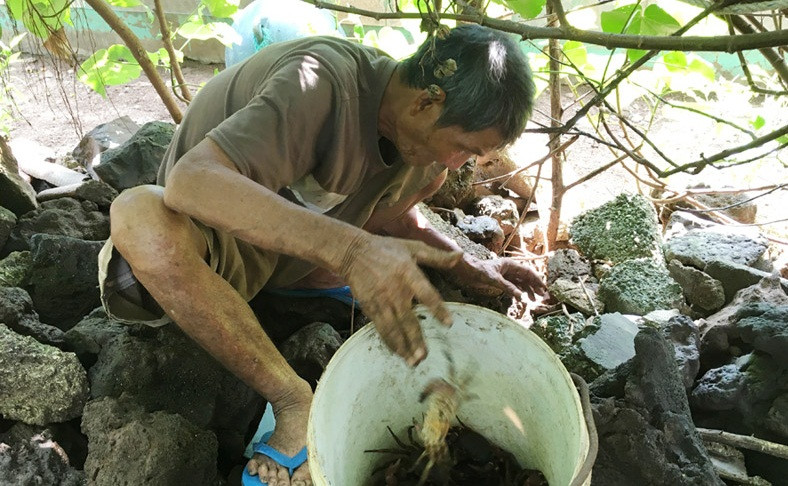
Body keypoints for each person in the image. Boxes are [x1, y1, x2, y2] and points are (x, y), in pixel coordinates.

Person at [99, 23, 545, 486]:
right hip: (212, 247)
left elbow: (393, 217)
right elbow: (190, 182)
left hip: (291, 266)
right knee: (140, 219)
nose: (457, 164)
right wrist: (351, 252)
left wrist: (469, 265)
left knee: (398, 284)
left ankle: (287, 308)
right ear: (425, 102)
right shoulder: (319, 82)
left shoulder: (426, 157)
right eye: (461, 147)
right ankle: (293, 400)